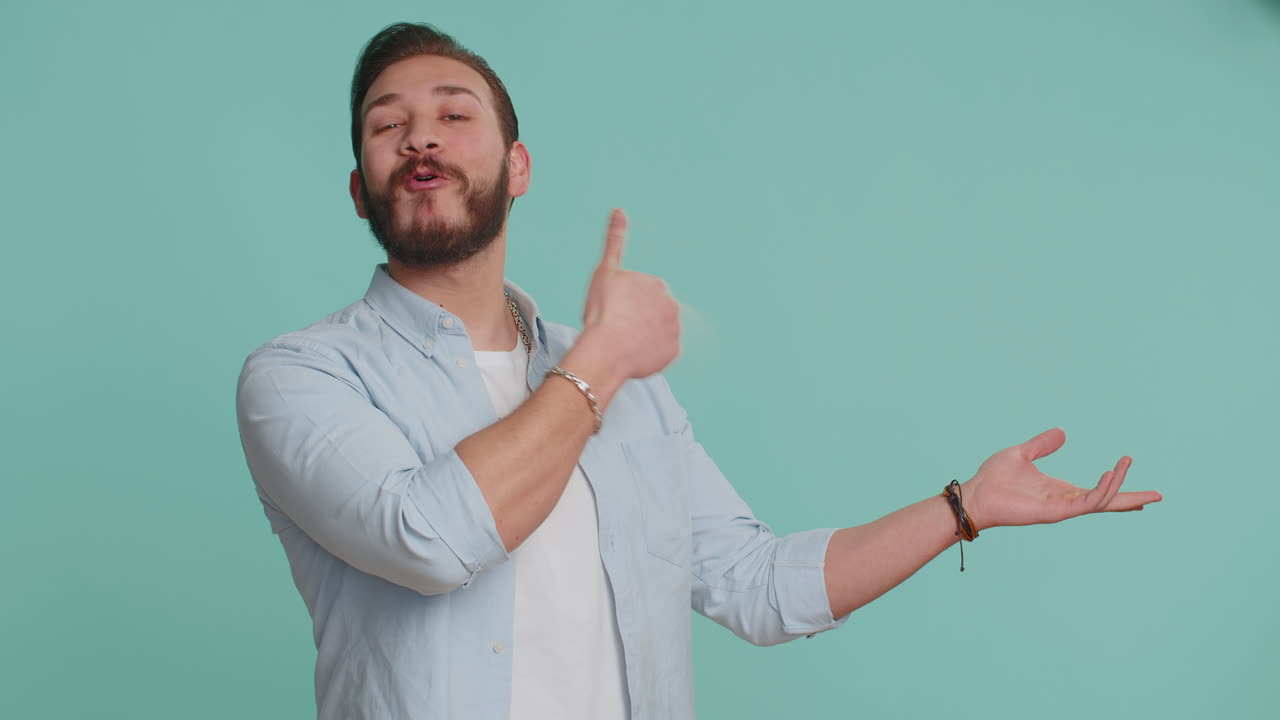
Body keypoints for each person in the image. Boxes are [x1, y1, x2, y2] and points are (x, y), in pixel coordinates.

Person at [235, 22, 1163, 720]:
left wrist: (965, 507)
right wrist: (602, 358)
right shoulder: (301, 378)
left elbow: (757, 584)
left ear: (517, 167)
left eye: (452, 114)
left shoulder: (618, 375)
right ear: (361, 185)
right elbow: (431, 541)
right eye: (387, 126)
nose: (420, 139)